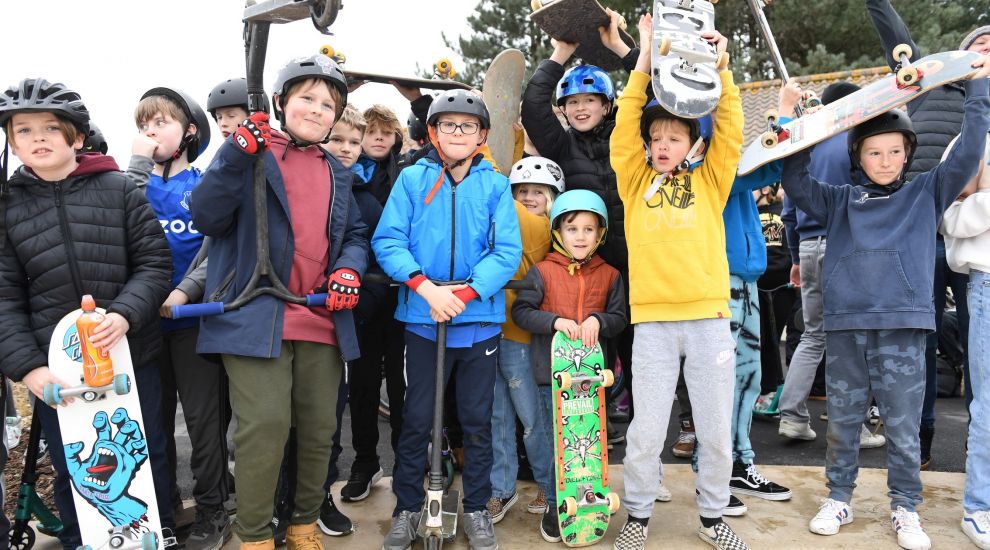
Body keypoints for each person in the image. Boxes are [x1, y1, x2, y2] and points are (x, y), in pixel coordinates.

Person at [781, 56, 990, 550]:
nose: (886, 161)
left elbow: (966, 157)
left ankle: (905, 508)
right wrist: (798, 124)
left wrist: (979, 90)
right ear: (859, 157)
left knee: (901, 424)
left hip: (905, 327)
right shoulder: (838, 201)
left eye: (895, 151)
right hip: (847, 326)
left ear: (908, 152)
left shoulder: (926, 193)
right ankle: (838, 496)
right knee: (845, 421)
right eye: (875, 153)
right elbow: (795, 184)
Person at [191, 53, 369, 550]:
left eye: (328, 104)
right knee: (265, 429)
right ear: (280, 102)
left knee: (318, 431)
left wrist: (349, 268)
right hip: (255, 314)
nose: (317, 110)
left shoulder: (336, 170)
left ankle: (303, 525)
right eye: (306, 98)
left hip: (320, 315)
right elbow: (206, 216)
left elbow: (353, 232)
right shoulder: (249, 154)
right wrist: (234, 153)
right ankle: (253, 537)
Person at [0, 78, 177, 548]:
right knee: (72, 466)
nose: (37, 138)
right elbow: (3, 297)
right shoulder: (8, 207)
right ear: (12, 142)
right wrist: (29, 368)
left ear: (76, 137)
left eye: (50, 129)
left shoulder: (118, 189)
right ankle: (85, 540)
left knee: (148, 455)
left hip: (132, 356)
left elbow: (155, 264)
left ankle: (157, 535)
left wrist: (124, 314)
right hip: (57, 371)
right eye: (23, 130)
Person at [609, 13, 748, 550]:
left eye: (676, 135)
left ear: (693, 143)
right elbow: (624, 123)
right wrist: (643, 56)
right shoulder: (633, 178)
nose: (664, 143)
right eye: (657, 137)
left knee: (713, 430)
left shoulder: (712, 179)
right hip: (654, 323)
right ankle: (639, 516)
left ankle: (713, 518)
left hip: (710, 319)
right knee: (646, 431)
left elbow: (731, 130)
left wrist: (722, 67)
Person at [373, 88, 522, 550]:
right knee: (418, 420)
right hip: (423, 321)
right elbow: (389, 240)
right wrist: (427, 288)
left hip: (478, 325)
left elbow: (507, 251)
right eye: (449, 125)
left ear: (482, 135)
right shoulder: (412, 180)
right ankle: (407, 509)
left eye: (469, 126)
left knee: (477, 421)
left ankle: (476, 507)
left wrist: (469, 291)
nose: (459, 133)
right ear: (433, 132)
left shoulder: (495, 185)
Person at [866, 0, 990, 467]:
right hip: (921, 234)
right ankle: (918, 442)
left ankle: (980, 447)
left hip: (975, 243)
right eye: (979, 44)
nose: (986, 49)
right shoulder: (927, 84)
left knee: (982, 341)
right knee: (923, 337)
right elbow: (892, 34)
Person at [522, 9, 636, 430]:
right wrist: (560, 52)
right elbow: (533, 106)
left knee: (636, 341)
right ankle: (597, 417)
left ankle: (631, 405)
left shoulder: (629, 134)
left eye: (590, 100)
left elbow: (658, 94)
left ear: (607, 105)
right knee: (592, 340)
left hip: (636, 257)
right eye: (572, 102)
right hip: (588, 262)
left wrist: (620, 47)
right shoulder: (560, 145)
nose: (581, 107)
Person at [130, 86, 232, 550]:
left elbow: (218, 252)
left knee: (203, 425)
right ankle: (162, 509)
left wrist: (181, 290)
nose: (150, 131)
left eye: (161, 122)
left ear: (189, 130)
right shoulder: (131, 184)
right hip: (141, 327)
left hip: (192, 322)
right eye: (144, 124)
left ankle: (213, 510)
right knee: (150, 426)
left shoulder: (205, 185)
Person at [511, 188, 628, 543]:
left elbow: (620, 318)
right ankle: (554, 500)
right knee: (551, 441)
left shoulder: (610, 275)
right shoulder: (543, 271)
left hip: (591, 381)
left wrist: (599, 320)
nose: (580, 236)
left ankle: (588, 498)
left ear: (600, 234)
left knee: (587, 443)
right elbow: (521, 312)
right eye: (572, 228)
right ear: (558, 233)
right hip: (552, 377)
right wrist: (554, 322)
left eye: (589, 229)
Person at [776, 80, 886, 451]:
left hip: (808, 247)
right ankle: (851, 429)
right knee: (851, 338)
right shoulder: (857, 145)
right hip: (846, 246)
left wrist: (795, 257)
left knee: (812, 335)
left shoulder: (808, 144)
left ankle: (791, 418)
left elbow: (789, 211)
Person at [337, 102, 409, 505]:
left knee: (402, 387)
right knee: (361, 384)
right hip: (361, 296)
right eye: (371, 132)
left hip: (401, 294)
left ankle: (405, 461)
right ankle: (365, 462)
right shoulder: (348, 177)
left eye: (387, 131)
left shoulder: (409, 172)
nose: (378, 138)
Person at [487, 156, 561, 531]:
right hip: (492, 331)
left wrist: (484, 152)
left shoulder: (541, 229)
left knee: (533, 421)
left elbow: (508, 201)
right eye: (522, 191)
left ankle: (548, 487)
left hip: (523, 339)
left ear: (552, 198)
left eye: (538, 191)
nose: (529, 197)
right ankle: (502, 486)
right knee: (498, 417)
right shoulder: (512, 222)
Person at [938, 134, 990, 548]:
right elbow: (950, 216)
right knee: (988, 400)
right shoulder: (973, 140)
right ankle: (979, 505)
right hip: (986, 279)